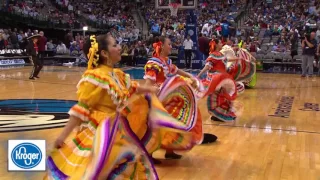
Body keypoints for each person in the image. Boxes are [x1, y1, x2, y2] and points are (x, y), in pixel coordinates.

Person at [44, 34, 195, 179]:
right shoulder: (95, 77)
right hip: (99, 133)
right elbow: (81, 110)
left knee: (123, 166)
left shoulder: (116, 74)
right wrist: (62, 137)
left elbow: (133, 88)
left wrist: (150, 90)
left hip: (117, 129)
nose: (119, 47)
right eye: (115, 45)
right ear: (104, 53)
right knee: (98, 170)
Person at [144, 36, 218, 162]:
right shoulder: (153, 63)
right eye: (169, 44)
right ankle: (149, 154)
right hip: (157, 99)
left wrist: (189, 76)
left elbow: (177, 71)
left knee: (174, 122)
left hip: (167, 98)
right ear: (161, 46)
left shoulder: (166, 62)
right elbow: (148, 84)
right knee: (156, 126)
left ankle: (170, 150)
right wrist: (151, 94)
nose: (171, 46)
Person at [197, 38, 237, 122]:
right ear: (216, 45)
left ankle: (221, 114)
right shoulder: (213, 55)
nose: (221, 44)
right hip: (215, 79)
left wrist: (236, 59)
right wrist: (199, 75)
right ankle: (217, 114)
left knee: (221, 97)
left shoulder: (221, 54)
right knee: (216, 97)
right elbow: (208, 66)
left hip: (221, 79)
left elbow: (226, 60)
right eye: (220, 43)